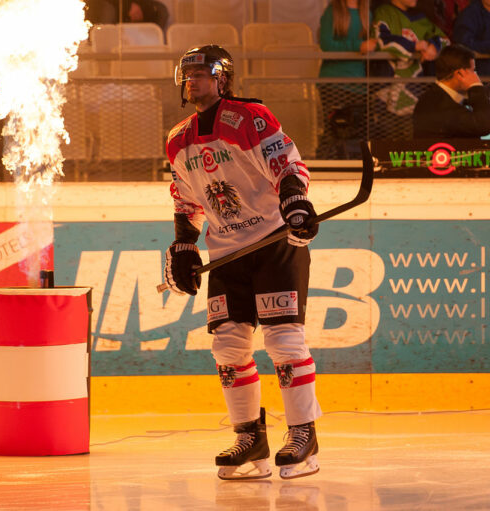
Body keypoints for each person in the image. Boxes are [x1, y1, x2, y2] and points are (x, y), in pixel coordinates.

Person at [164, 45, 323, 480]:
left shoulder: (251, 117)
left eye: (201, 73)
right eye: (187, 74)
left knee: (284, 340)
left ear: (222, 79)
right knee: (228, 346)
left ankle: (303, 436)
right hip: (227, 252)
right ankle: (250, 438)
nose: (192, 80)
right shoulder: (178, 138)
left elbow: (286, 162)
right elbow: (186, 201)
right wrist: (183, 246)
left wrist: (294, 200)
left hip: (274, 241)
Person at [372, 0, 449, 129]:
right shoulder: (383, 12)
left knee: (412, 142)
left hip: (416, 95)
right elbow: (380, 40)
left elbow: (444, 39)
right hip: (386, 93)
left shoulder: (421, 17)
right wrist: (414, 46)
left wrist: (434, 46)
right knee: (388, 143)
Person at [318, 0, 378, 158]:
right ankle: (327, 167)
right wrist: (358, 46)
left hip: (359, 83)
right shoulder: (332, 11)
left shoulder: (367, 13)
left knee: (358, 131)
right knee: (334, 130)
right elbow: (326, 43)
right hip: (333, 83)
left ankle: (356, 167)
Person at [413, 44, 490, 137]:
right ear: (460, 73)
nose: (475, 77)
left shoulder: (435, 97)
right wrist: (476, 86)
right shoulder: (439, 104)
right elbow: (483, 125)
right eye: (472, 71)